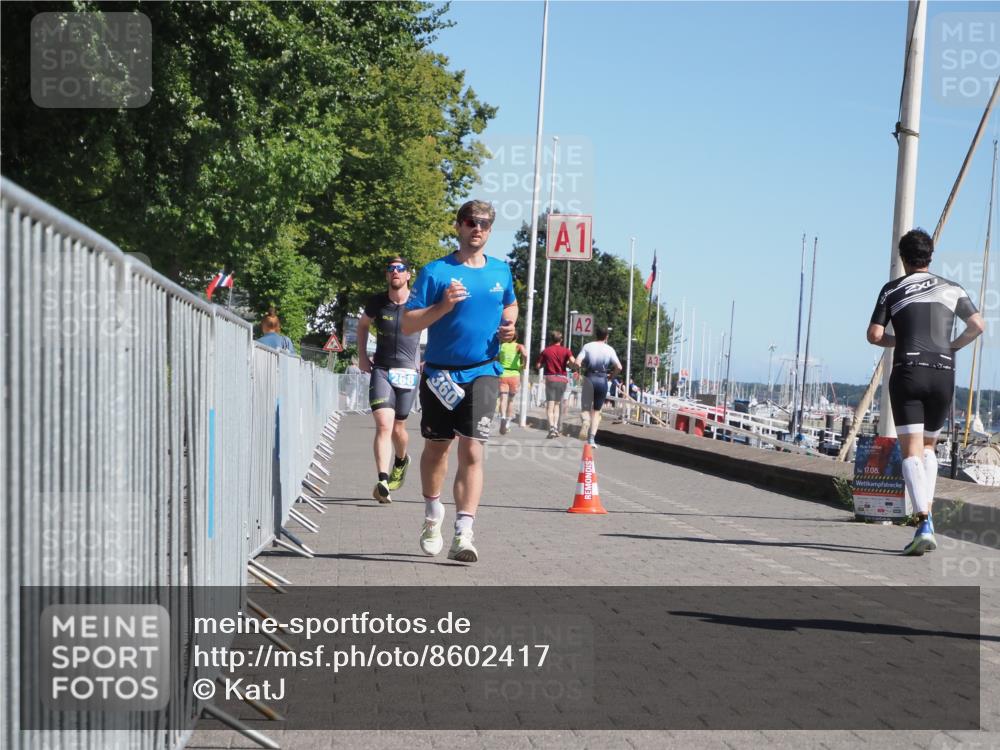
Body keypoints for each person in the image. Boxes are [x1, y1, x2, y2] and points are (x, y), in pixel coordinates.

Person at [402, 200, 517, 563]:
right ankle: (432, 515)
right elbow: (408, 324)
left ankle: (464, 533)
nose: (477, 228)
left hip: (484, 370)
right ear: (458, 226)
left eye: (484, 223)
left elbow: (510, 305)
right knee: (438, 449)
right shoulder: (436, 272)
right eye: (470, 221)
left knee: (472, 448)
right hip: (440, 374)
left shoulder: (501, 271)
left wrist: (510, 327)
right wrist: (443, 307)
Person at [867, 228, 984, 556]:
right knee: (930, 448)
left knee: (911, 452)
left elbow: (874, 334)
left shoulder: (893, 289)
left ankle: (924, 521)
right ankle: (927, 518)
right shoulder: (953, 288)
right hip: (943, 373)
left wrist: (898, 341)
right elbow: (978, 325)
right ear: (930, 257)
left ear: (903, 258)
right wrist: (952, 347)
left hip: (908, 371)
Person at [357, 256, 422, 504]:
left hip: (408, 372)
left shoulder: (418, 301)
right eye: (391, 269)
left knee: (398, 428)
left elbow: (437, 324)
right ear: (387, 276)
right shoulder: (377, 302)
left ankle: (402, 459)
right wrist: (362, 355)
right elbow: (363, 326)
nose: (395, 272)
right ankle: (383, 480)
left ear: (408, 275)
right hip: (382, 369)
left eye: (400, 268)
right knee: (384, 424)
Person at [577, 326, 622, 447]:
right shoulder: (609, 349)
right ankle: (591, 439)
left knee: (585, 408)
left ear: (595, 334)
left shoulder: (587, 346)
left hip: (589, 378)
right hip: (602, 380)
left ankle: (586, 421)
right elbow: (619, 367)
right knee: (597, 411)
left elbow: (577, 362)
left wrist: (579, 371)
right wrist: (612, 376)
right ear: (606, 337)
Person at [536, 330, 577, 438]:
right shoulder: (566, 351)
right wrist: (571, 364)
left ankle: (552, 428)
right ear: (561, 340)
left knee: (550, 406)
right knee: (557, 405)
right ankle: (556, 428)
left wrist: (545, 363)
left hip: (550, 379)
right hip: (562, 380)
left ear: (551, 339)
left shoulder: (546, 351)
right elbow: (574, 362)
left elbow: (538, 365)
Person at [497, 338, 527, 435]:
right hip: (514, 374)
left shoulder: (502, 346)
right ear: (516, 338)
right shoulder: (518, 346)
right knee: (511, 400)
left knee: (503, 398)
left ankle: (502, 418)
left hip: (503, 374)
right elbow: (525, 354)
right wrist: (524, 364)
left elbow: (495, 357)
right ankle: (507, 424)